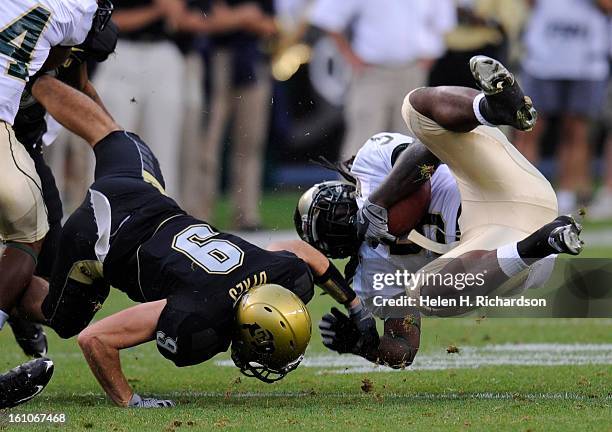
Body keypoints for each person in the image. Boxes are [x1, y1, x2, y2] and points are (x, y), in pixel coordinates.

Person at [4, 73, 377, 407]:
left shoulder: (283, 275)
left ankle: (33, 77)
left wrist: (355, 305)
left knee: (109, 133)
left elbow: (302, 253)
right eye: (264, 348)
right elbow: (96, 340)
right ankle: (14, 297)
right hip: (99, 233)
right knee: (62, 317)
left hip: (143, 193)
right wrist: (130, 400)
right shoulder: (199, 319)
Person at [293, 56, 584, 364]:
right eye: (331, 224)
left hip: (491, 181)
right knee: (422, 292)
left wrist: (377, 203)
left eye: (335, 212)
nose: (340, 219)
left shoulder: (369, 165)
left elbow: (428, 151)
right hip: (504, 248)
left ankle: (494, 108)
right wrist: (365, 346)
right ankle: (542, 242)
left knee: (416, 106)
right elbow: (404, 346)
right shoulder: (369, 275)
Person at [0, 0, 111, 408]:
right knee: (29, 236)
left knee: (46, 257)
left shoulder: (62, 45)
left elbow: (82, 84)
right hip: (4, 143)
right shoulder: (68, 16)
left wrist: (119, 144)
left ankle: (25, 312)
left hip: (21, 147)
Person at [309, 0, 456, 160]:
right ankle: (353, 184)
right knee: (364, 138)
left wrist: (429, 56)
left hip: (413, 71)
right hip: (372, 72)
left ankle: (409, 186)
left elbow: (443, 22)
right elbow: (327, 15)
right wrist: (349, 56)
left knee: (411, 142)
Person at [513, 0, 611, 214]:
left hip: (587, 61)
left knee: (576, 132)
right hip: (542, 59)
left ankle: (566, 196)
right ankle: (524, 195)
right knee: (529, 127)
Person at [196, 0, 276, 230]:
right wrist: (245, 17)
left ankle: (246, 214)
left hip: (252, 62)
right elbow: (206, 22)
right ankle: (201, 214)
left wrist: (233, 18)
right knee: (208, 143)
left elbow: (271, 26)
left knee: (250, 143)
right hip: (216, 60)